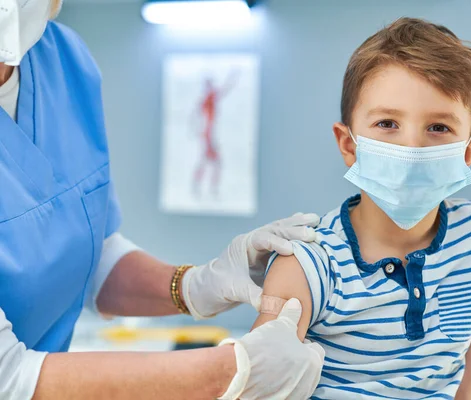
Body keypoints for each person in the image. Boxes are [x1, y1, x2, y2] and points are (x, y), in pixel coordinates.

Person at [0, 1, 325, 399]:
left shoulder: (64, 62)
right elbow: (8, 378)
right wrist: (227, 370)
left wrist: (193, 285)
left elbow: (81, 251)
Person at [252, 17, 471, 399]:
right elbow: (257, 384)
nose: (411, 148)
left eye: (439, 127)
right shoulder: (308, 262)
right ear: (348, 145)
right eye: (387, 123)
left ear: (469, 152)